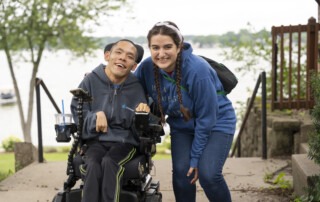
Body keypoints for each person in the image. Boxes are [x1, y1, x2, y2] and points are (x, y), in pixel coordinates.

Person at [134, 21, 237, 202]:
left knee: (208, 174)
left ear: (179, 47)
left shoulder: (198, 70)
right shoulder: (146, 68)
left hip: (216, 123)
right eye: (155, 48)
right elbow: (130, 89)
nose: (161, 53)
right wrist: (103, 77)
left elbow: (207, 118)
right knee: (182, 173)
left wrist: (195, 157)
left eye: (167, 47)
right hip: (182, 125)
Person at [70, 39, 150, 202]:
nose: (122, 58)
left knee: (109, 162)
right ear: (108, 55)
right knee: (92, 164)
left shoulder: (137, 87)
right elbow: (78, 112)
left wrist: (142, 115)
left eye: (129, 56)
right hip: (95, 141)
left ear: (134, 66)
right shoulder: (90, 80)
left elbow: (140, 126)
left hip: (124, 143)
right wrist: (95, 117)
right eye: (118, 52)